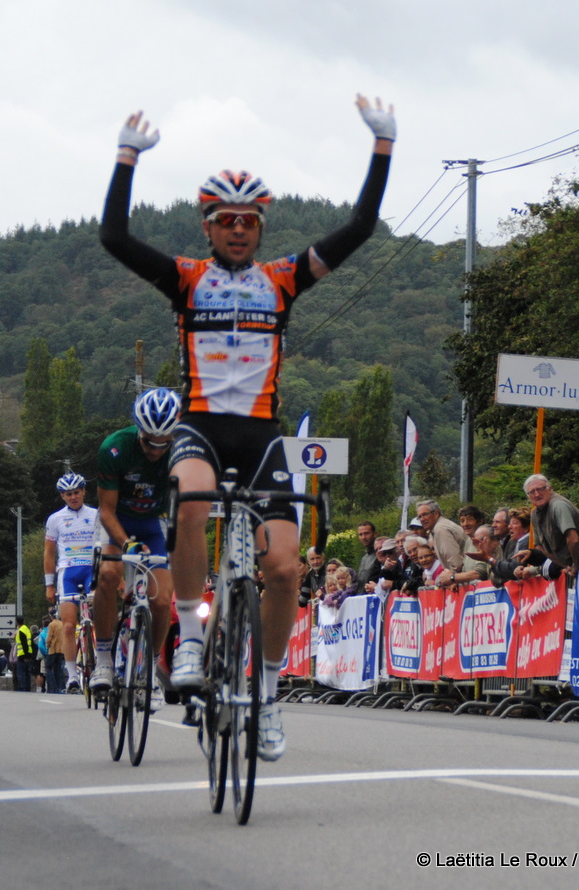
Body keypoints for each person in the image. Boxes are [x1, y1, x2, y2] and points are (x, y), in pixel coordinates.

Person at [100, 94, 394, 762]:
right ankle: (193, 643)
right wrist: (126, 159)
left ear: (262, 225)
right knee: (194, 503)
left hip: (262, 435)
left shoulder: (284, 280)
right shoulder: (186, 279)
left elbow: (360, 228)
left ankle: (265, 689)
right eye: (225, 221)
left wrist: (382, 150)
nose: (237, 230)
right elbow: (114, 239)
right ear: (208, 226)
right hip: (202, 425)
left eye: (248, 221)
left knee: (286, 568)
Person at [90, 388, 179, 715]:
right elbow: (106, 510)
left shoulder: (181, 450)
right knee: (108, 575)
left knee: (160, 600)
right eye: (148, 442)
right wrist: (125, 544)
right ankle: (102, 660)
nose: (156, 450)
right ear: (138, 432)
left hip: (153, 524)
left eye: (163, 443)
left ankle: (152, 670)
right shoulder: (115, 448)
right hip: (117, 522)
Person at [44, 472, 98, 693]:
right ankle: (72, 677)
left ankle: (103, 663)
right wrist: (49, 584)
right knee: (68, 626)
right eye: (68, 494)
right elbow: (48, 553)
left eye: (76, 492)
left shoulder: (97, 514)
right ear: (62, 496)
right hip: (67, 572)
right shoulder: (55, 519)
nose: (73, 497)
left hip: (93, 570)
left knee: (101, 619)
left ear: (84, 491)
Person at [517, 474, 579, 581]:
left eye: (540, 489)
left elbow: (573, 539)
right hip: (577, 568)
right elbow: (540, 547)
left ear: (549, 488)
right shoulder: (535, 514)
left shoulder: (558, 506)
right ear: (528, 496)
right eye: (532, 492)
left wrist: (575, 566)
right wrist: (566, 566)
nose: (537, 494)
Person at [415, 500, 466, 573]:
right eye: (419, 517)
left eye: (425, 514)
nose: (422, 519)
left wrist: (447, 578)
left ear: (436, 513)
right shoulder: (440, 526)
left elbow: (456, 564)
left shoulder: (440, 529)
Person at [354, 521, 381, 593]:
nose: (363, 537)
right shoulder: (364, 558)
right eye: (360, 534)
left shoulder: (381, 555)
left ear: (375, 534)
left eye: (366, 533)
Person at [13, 616, 33, 692]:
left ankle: (22, 688)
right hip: (28, 653)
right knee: (27, 673)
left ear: (17, 622)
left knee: (21, 673)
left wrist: (25, 656)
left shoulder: (20, 631)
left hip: (22, 654)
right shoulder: (27, 629)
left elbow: (24, 644)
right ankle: (27, 687)